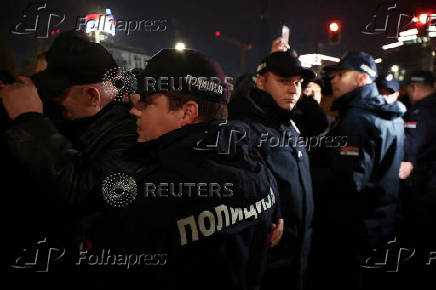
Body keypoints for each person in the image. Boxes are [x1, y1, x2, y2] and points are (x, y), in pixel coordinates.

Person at [84, 48, 280, 290]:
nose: (134, 110)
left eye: (146, 102)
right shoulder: (257, 166)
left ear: (188, 112)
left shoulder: (150, 196)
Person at [0, 32, 137, 273]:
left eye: (59, 93)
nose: (53, 100)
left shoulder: (132, 136)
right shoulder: (77, 115)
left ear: (93, 96)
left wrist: (30, 119)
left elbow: (80, 193)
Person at [309, 51, 406, 290]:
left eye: (342, 74)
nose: (333, 79)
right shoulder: (390, 115)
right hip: (379, 225)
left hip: (350, 230)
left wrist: (304, 171)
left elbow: (347, 182)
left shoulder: (357, 119)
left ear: (362, 79)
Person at [228, 50, 315, 290]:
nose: (293, 89)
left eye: (297, 82)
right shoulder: (245, 128)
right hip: (268, 262)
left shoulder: (288, 124)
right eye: (284, 81)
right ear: (261, 81)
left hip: (298, 257)